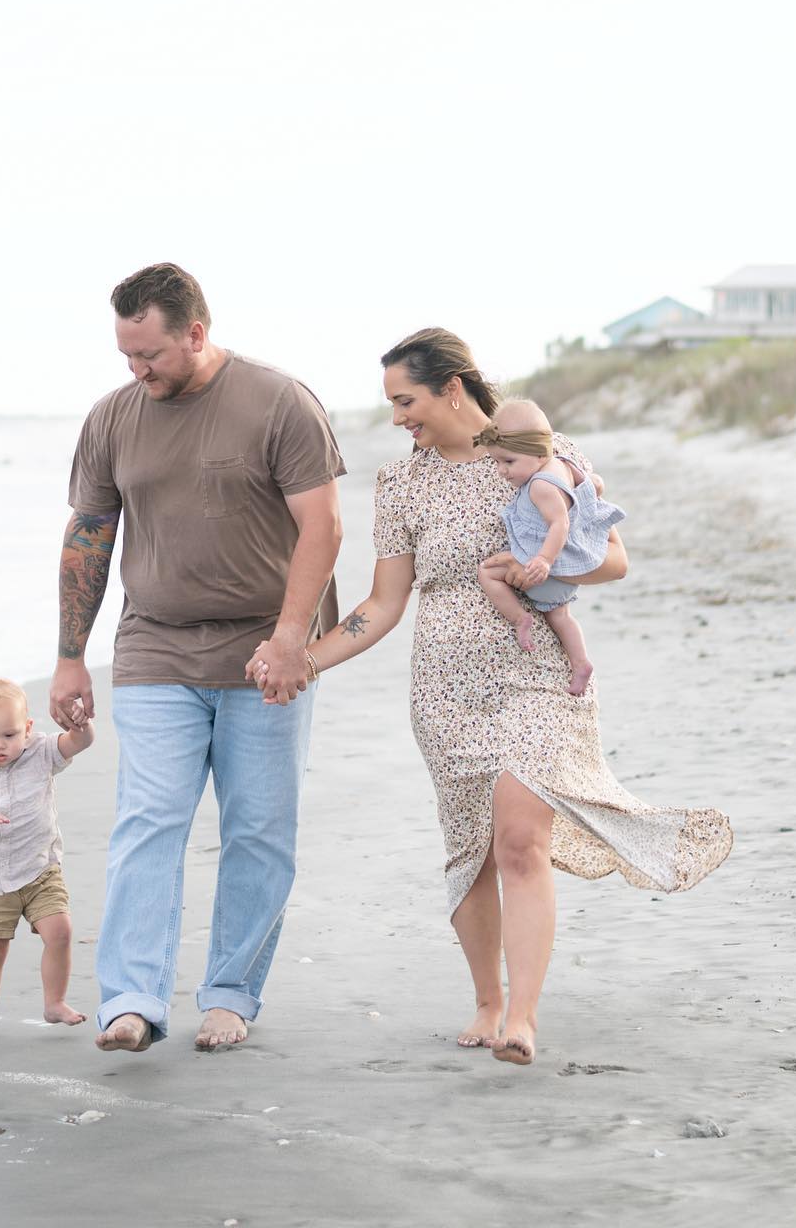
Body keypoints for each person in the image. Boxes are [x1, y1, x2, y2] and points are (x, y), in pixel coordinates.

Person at [249, 328, 732, 1068]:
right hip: (445, 689)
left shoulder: (544, 450)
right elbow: (383, 603)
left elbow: (615, 558)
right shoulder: (401, 484)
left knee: (518, 839)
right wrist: (305, 660)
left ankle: (524, 1018)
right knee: (471, 848)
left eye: (405, 399)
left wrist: (541, 570)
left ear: (451, 387)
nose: (397, 417)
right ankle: (486, 1001)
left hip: (538, 674)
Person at [50, 262, 344, 1055]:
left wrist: (290, 640)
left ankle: (230, 994)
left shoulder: (280, 402)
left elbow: (322, 527)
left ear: (196, 333)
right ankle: (133, 1000)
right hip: (154, 649)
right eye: (126, 356)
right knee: (148, 823)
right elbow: (89, 535)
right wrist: (70, 657)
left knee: (257, 831)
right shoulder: (114, 418)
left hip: (265, 656)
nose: (137, 370)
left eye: (150, 355)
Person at [0, 676, 95, 1044]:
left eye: (9, 735)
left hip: (40, 869)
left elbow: (79, 743)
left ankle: (54, 1002)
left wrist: (81, 724)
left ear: (27, 729)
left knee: (60, 931)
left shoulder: (41, 752)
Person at [474, 396, 626, 696]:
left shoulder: (541, 486)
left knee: (487, 572)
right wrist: (594, 485)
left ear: (537, 453)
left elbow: (560, 524)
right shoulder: (566, 465)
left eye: (508, 462)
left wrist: (544, 559)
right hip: (572, 564)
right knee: (561, 616)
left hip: (548, 565)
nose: (501, 472)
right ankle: (580, 662)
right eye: (496, 462)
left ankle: (520, 618)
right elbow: (594, 485)